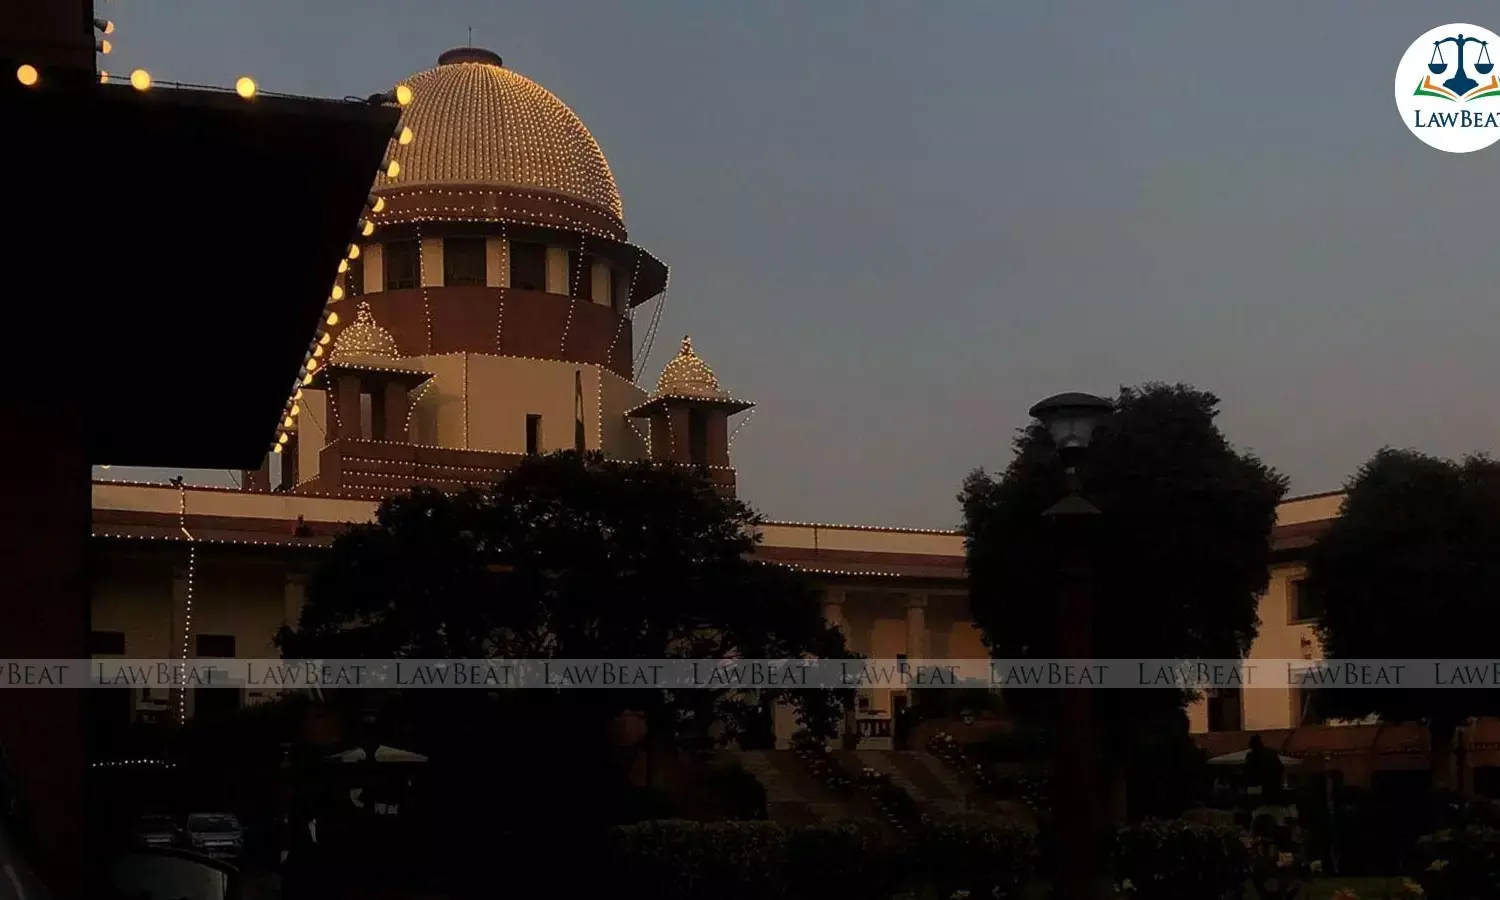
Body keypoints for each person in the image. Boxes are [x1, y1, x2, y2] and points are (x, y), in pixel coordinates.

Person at [1244, 735, 1284, 803]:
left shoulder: (1252, 755)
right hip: (1275, 781)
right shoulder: (1271, 752)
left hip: (1266, 782)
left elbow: (1248, 771)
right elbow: (1280, 767)